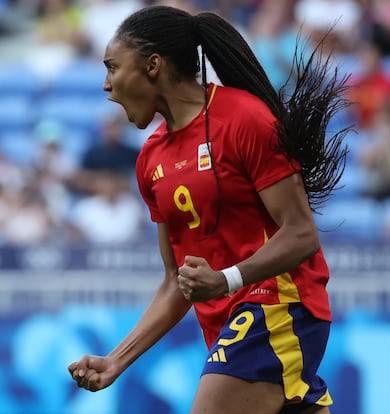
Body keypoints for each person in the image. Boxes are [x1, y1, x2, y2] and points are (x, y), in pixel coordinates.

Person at [68, 5, 350, 414]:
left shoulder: (243, 118)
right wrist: (117, 359)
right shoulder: (150, 160)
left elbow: (301, 234)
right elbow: (175, 282)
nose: (106, 85)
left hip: (277, 305)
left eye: (112, 67)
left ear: (152, 66)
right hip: (230, 324)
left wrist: (226, 279)